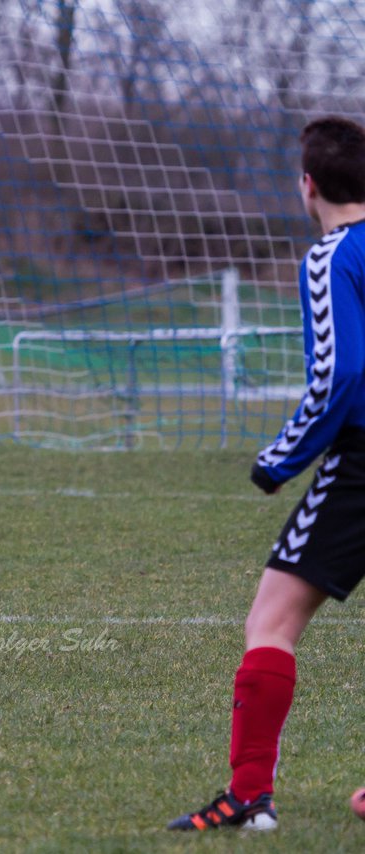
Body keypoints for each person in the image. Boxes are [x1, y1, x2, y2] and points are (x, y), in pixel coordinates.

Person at [168, 115, 365, 831]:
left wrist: (280, 459)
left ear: (307, 185)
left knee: (271, 622)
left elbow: (341, 373)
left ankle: (249, 795)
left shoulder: (331, 256)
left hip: (361, 464)